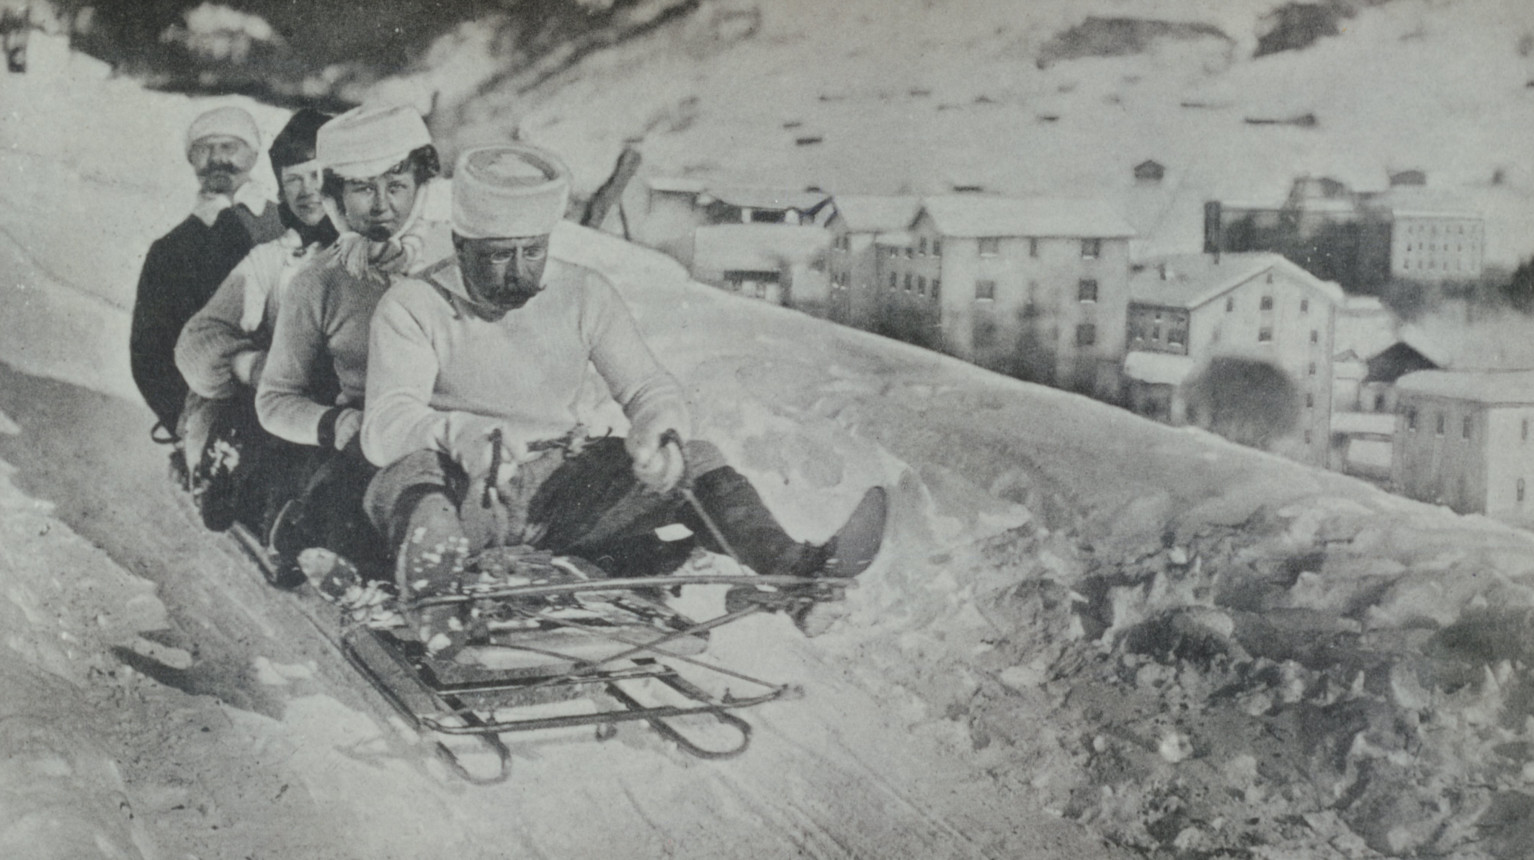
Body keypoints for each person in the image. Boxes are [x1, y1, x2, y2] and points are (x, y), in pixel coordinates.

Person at [356, 143, 884, 651]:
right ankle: (435, 594)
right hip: (471, 492)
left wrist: (659, 428)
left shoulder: (582, 293)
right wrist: (460, 432)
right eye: (497, 256)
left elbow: (647, 386)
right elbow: (385, 424)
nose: (517, 271)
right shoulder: (414, 305)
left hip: (563, 492)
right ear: (460, 243)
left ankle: (794, 574)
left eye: (532, 251)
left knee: (697, 459)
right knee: (410, 476)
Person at [255, 102, 450, 581]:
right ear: (337, 197)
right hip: (368, 451)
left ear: (420, 188)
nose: (382, 205)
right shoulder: (319, 281)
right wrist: (333, 424)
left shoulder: (457, 260)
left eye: (397, 186)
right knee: (342, 512)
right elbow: (275, 398)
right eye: (363, 188)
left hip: (453, 441)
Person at [173, 108, 339, 533]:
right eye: (293, 180)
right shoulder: (274, 258)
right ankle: (234, 478)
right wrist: (248, 364)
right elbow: (200, 335)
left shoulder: (380, 254)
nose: (307, 192)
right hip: (274, 404)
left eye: (316, 175)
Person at [130, 106, 282, 477]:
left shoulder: (287, 224)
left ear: (253, 153)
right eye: (204, 149)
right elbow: (149, 356)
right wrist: (183, 420)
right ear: (191, 160)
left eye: (230, 146)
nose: (218, 159)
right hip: (215, 401)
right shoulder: (171, 250)